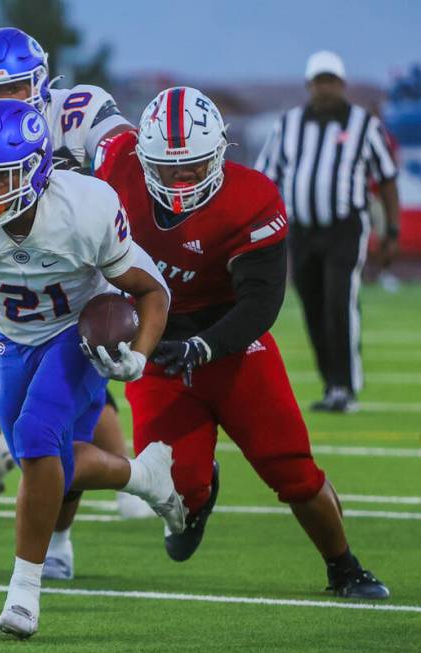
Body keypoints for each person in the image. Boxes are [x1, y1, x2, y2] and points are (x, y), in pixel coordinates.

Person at [96, 86, 389, 600]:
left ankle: (345, 567)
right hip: (156, 348)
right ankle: (200, 491)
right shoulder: (115, 170)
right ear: (143, 159)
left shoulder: (251, 199)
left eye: (195, 166)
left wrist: (203, 348)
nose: (183, 179)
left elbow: (259, 304)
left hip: (232, 346)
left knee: (292, 470)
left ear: (219, 154)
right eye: (169, 168)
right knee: (175, 494)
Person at [0, 98, 185, 638]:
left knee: (38, 439)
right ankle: (145, 475)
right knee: (46, 460)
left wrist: (138, 356)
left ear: (37, 170)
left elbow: (152, 291)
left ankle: (23, 594)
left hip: (80, 331)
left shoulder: (82, 209)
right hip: (13, 338)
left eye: (0, 177)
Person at [0, 27, 150, 557]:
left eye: (13, 88)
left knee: (56, 426)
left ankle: (57, 542)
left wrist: (112, 238)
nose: (0, 101)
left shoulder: (78, 112)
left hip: (78, 285)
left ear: (39, 80)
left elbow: (124, 160)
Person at [256, 51, 400, 413]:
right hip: (302, 229)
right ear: (309, 85)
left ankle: (345, 385)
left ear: (342, 85)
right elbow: (266, 177)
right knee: (313, 305)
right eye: (318, 81)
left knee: (339, 302)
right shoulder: (288, 124)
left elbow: (386, 178)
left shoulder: (363, 125)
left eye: (331, 81)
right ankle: (331, 382)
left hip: (344, 228)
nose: (324, 89)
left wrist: (392, 230)